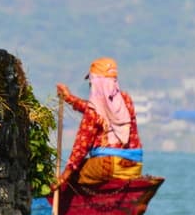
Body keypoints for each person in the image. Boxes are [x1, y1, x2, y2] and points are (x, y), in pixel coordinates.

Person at [54, 56, 142, 188]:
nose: (90, 85)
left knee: (74, 174)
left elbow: (81, 145)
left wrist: (64, 176)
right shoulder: (125, 100)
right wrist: (70, 98)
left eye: (91, 81)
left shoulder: (94, 110)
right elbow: (101, 112)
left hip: (108, 165)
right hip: (134, 165)